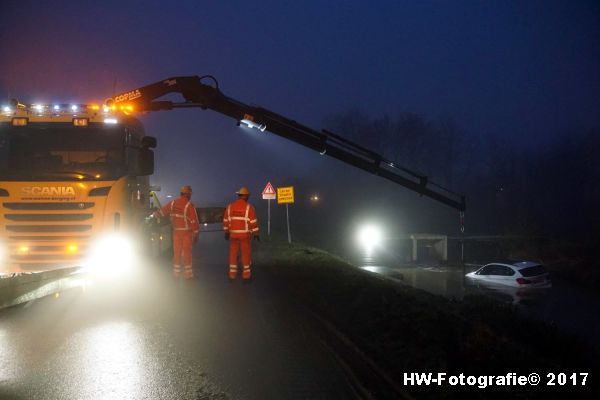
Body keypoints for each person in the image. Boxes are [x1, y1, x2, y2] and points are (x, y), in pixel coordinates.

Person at [153, 185, 200, 279]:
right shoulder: (189, 205)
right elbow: (194, 221)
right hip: (186, 233)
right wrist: (196, 234)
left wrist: (154, 215)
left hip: (176, 233)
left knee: (177, 253)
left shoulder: (173, 203)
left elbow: (163, 211)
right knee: (187, 253)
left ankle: (176, 274)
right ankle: (188, 275)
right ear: (188, 194)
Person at [223, 186, 259, 280]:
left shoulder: (230, 207)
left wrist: (226, 232)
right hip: (245, 236)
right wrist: (256, 234)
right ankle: (246, 276)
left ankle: (232, 275)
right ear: (246, 196)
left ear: (238, 196)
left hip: (233, 235)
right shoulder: (249, 207)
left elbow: (226, 221)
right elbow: (253, 222)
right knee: (245, 254)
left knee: (233, 254)